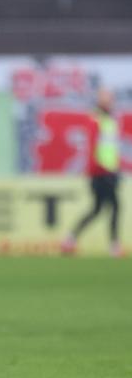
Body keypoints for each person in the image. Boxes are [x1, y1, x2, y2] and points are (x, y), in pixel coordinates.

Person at [62, 88, 123, 257]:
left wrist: (115, 168)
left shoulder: (110, 120)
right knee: (115, 207)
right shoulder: (96, 119)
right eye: (107, 98)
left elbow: (110, 149)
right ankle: (114, 245)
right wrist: (100, 169)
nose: (110, 101)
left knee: (97, 209)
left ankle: (70, 238)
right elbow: (93, 148)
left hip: (109, 171)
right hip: (100, 172)